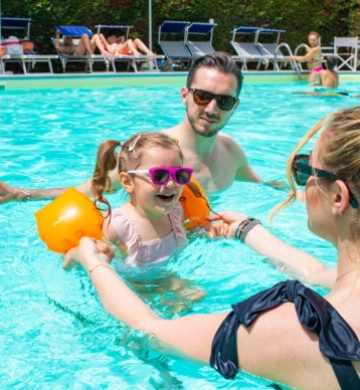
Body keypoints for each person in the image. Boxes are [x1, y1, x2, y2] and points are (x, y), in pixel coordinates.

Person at [64, 106, 360, 390]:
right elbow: (315, 273)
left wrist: (91, 262)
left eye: (305, 169)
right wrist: (244, 228)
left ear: (337, 197)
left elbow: (150, 331)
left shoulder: (294, 331)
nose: (303, 180)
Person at [0, 52, 270, 201]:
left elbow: (264, 185)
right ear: (185, 95)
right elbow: (91, 189)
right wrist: (25, 194)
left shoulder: (230, 150)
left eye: (223, 101)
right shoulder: (152, 152)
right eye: (202, 96)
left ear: (235, 106)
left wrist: (301, 191)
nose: (211, 109)